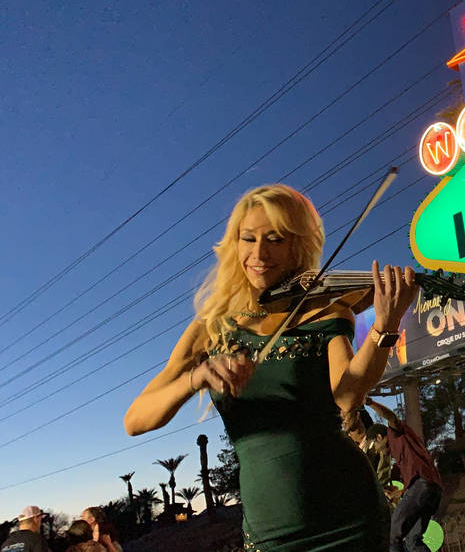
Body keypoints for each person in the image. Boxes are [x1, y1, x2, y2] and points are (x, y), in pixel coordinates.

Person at [123, 184, 418, 551]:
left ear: (298, 245)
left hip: (350, 518)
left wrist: (383, 328)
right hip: (270, 531)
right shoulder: (212, 327)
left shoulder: (324, 310)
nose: (259, 253)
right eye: (248, 239)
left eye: (275, 239)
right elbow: (135, 421)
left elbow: (347, 396)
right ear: (235, 244)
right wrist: (195, 378)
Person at [365, 398, 443, 552]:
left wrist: (370, 402)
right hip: (432, 489)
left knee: (393, 534)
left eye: (376, 447)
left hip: (423, 485)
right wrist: (398, 493)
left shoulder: (395, 434)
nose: (378, 451)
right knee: (413, 541)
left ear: (379, 437)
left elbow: (391, 417)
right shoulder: (401, 448)